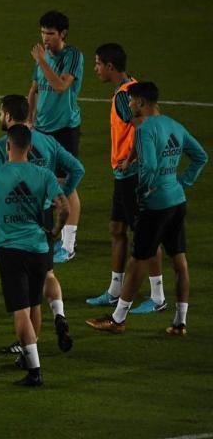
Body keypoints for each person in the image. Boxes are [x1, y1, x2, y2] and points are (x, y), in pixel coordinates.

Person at [87, 82, 206, 336]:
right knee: (179, 259)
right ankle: (180, 322)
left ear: (141, 102)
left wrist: (142, 192)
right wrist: (183, 181)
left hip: (156, 205)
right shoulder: (175, 126)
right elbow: (200, 156)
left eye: (131, 101)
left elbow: (150, 167)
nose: (128, 105)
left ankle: (118, 320)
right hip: (177, 201)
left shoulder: (144, 130)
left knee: (138, 259)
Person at [0, 95, 80, 356]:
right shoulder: (46, 141)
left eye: (1, 113)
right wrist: (56, 197)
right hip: (43, 218)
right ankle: (58, 314)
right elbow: (76, 169)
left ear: (9, 117)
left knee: (22, 298)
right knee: (46, 276)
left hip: (13, 224)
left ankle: (28, 348)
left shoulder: (3, 146)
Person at [0, 125, 69, 387]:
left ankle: (34, 370)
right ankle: (31, 356)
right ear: (30, 147)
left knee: (19, 311)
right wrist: (55, 230)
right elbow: (63, 208)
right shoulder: (44, 175)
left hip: (10, 247)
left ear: (8, 146)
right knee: (33, 305)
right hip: (39, 246)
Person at [86, 44, 165, 313]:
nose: (95, 68)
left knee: (144, 234)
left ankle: (157, 297)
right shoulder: (133, 87)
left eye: (98, 64)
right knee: (117, 229)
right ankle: (114, 289)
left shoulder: (124, 97)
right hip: (122, 175)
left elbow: (142, 124)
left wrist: (133, 158)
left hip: (132, 175)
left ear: (110, 67)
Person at [26, 10, 83, 262]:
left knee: (65, 186)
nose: (45, 38)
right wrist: (28, 119)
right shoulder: (43, 57)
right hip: (41, 130)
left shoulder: (73, 56)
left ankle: (68, 245)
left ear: (62, 34)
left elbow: (60, 86)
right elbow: (35, 88)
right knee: (41, 181)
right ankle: (45, 233)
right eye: (42, 33)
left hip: (64, 129)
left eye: (50, 33)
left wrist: (42, 61)